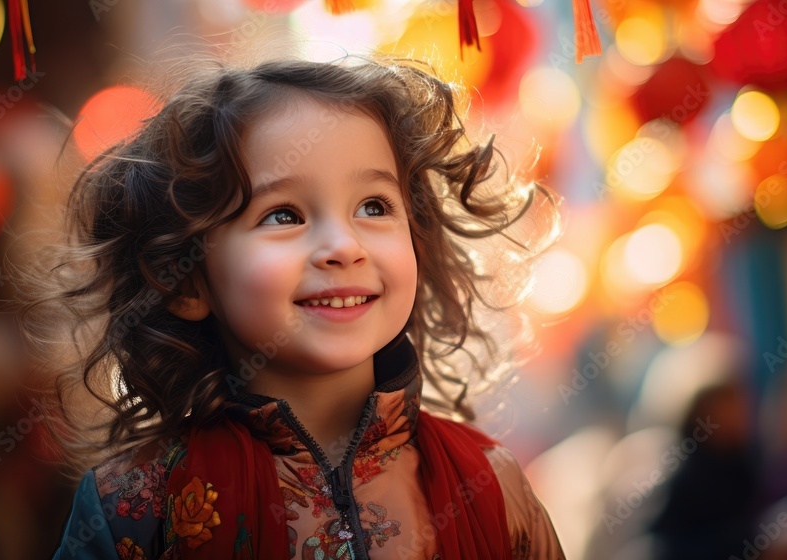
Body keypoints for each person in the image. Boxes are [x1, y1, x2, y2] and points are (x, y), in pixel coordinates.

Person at [30, 55, 565, 559]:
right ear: (187, 282)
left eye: (374, 206)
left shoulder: (492, 484)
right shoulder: (133, 507)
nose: (344, 246)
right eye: (284, 215)